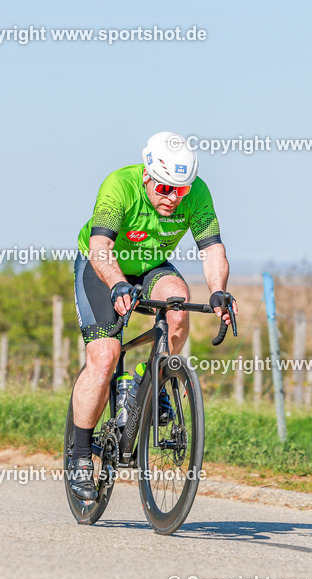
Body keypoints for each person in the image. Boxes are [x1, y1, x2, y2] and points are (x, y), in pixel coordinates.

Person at [68, 131, 236, 501]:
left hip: (150, 266)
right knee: (105, 356)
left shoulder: (197, 193)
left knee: (178, 303)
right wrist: (115, 284)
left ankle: (149, 378)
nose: (173, 199)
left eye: (182, 191)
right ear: (147, 175)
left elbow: (212, 250)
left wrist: (218, 291)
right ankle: (80, 454)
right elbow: (100, 247)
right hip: (102, 268)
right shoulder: (120, 186)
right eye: (165, 190)